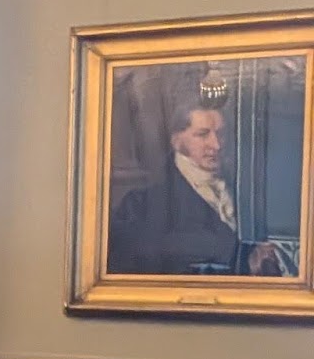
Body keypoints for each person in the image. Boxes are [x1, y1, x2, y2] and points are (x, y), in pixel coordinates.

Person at [107, 102, 286, 276]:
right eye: (202, 135)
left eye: (220, 134)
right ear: (176, 141)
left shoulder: (246, 189)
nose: (216, 145)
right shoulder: (141, 202)